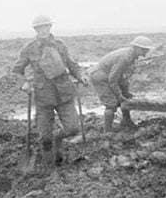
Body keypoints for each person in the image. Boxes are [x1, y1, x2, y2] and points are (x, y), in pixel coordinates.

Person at [12, 15, 88, 166]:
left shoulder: (60, 46)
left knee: (73, 129)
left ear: (50, 27)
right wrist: (24, 84)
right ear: (35, 29)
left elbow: (73, 65)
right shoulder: (29, 48)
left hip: (64, 94)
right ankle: (50, 168)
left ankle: (58, 139)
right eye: (40, 27)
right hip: (43, 97)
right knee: (45, 138)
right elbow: (16, 70)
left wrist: (81, 75)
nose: (43, 30)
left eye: (46, 26)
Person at [89, 36, 154, 132]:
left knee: (125, 97)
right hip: (99, 77)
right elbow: (113, 79)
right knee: (111, 104)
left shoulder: (131, 57)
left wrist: (126, 92)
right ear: (136, 48)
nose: (145, 54)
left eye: (146, 51)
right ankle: (108, 131)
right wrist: (119, 95)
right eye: (144, 50)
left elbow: (123, 77)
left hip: (109, 76)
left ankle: (126, 121)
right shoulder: (123, 58)